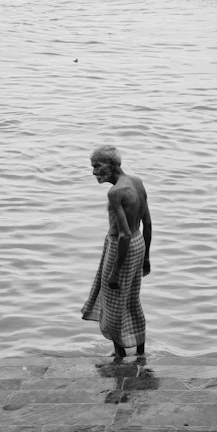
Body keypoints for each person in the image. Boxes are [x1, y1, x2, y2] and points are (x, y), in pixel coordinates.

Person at [81, 145, 152, 358]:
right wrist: (146, 257)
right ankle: (140, 351)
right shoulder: (137, 182)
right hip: (138, 244)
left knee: (112, 302)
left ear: (111, 165)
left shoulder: (115, 192)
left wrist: (114, 271)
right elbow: (147, 223)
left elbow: (123, 235)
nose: (94, 172)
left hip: (121, 247)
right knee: (130, 299)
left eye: (97, 166)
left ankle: (119, 354)